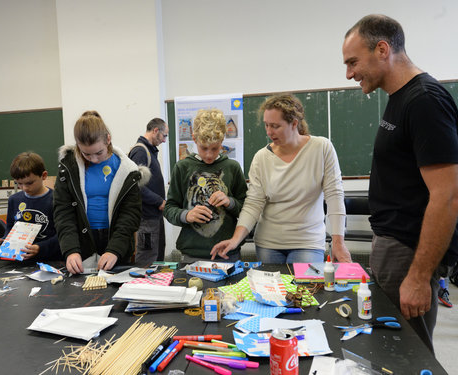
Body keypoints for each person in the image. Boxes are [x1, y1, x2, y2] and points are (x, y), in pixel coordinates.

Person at [342, 14, 458, 352]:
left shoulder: (424, 101)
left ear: (382, 49)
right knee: (388, 348)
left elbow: (448, 196)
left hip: (408, 253)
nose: (349, 73)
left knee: (409, 355)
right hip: (391, 247)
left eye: (353, 62)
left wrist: (420, 276)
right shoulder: (400, 98)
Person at [211, 94, 351, 264]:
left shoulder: (321, 148)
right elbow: (253, 204)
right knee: (272, 290)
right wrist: (235, 239)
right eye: (266, 125)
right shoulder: (261, 158)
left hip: (308, 242)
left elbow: (334, 196)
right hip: (269, 244)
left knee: (304, 289)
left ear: (294, 123)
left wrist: (338, 242)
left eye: (276, 126)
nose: (269, 132)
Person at [53, 110, 150, 274]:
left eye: (99, 153)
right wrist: (71, 250)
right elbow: (63, 212)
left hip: (116, 241)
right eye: (86, 154)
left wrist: (114, 249)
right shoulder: (68, 167)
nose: (94, 159)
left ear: (108, 139)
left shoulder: (126, 170)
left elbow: (130, 214)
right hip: (81, 243)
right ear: (77, 146)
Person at [164, 109, 247, 262]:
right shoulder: (182, 168)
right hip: (191, 254)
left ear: (222, 141)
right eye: (204, 148)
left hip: (228, 252)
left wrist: (230, 202)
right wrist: (187, 215)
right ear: (194, 139)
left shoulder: (232, 167)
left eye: (215, 149)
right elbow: (169, 208)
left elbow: (247, 209)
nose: (209, 155)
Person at [0, 152, 61, 261]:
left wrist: (40, 248)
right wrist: (6, 239)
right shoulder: (14, 200)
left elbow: (63, 234)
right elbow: (10, 227)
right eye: (19, 183)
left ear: (44, 176)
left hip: (51, 260)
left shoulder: (57, 200)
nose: (24, 188)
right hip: (20, 260)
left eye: (29, 183)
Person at [129, 118, 168, 267]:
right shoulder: (140, 151)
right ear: (156, 130)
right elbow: (136, 186)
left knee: (157, 258)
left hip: (154, 217)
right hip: (146, 220)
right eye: (164, 136)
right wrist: (159, 201)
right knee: (146, 261)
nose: (164, 141)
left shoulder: (149, 151)